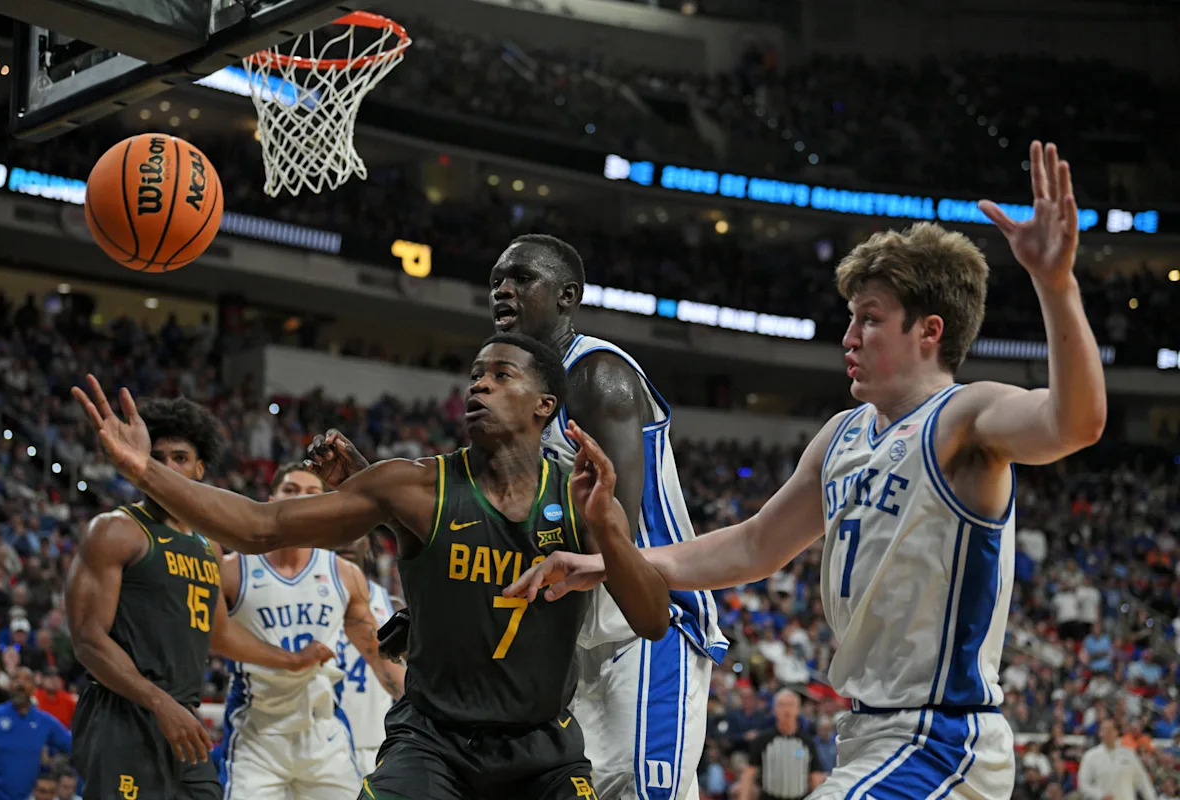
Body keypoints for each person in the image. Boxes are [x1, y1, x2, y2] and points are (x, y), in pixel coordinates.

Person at [510, 142, 1107, 799]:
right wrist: (612, 563)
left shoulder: (965, 416)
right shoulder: (842, 436)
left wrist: (1056, 286)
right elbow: (754, 546)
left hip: (942, 742)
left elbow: (1076, 423)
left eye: (870, 321)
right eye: (851, 320)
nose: (848, 338)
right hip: (867, 736)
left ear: (929, 332)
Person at [72, 332, 672, 800]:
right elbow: (258, 526)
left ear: (545, 405)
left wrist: (608, 528)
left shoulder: (579, 496)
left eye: (500, 375)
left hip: (542, 751)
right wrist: (143, 470)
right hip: (435, 744)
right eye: (474, 375)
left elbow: (652, 620)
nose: (479, 385)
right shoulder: (414, 486)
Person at [308, 233, 726, 800]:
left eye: (522, 278)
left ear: (567, 296)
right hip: (566, 639)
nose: (502, 290)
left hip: (643, 631)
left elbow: (612, 532)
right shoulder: (515, 396)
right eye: (496, 281)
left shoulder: (597, 376)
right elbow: (495, 526)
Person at [65, 396, 334, 800]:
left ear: (200, 468)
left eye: (180, 458)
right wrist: (159, 703)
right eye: (157, 458)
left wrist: (292, 660)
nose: (168, 467)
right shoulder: (115, 530)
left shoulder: (209, 545)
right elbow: (88, 640)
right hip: (123, 713)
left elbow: (219, 634)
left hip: (181, 717)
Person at [220, 463, 404, 800]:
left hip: (324, 733)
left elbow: (377, 654)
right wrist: (290, 660)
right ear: (270, 499)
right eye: (290, 490)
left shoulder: (344, 574)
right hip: (257, 732)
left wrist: (425, 701)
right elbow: (213, 638)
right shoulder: (232, 570)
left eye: (311, 493)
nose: (299, 499)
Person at [335, 535, 406, 771]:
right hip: (323, 741)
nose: (345, 541)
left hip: (375, 741)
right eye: (338, 533)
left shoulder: (392, 605)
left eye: (354, 534)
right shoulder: (311, 600)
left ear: (366, 544)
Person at [0, 667, 71, 800]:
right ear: (9, 685)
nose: (20, 684)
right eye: (16, 679)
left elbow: (72, 744)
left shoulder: (44, 721)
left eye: (26, 680)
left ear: (34, 688)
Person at [740, 691, 825, 800]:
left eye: (790, 705)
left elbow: (815, 776)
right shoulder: (762, 741)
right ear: (774, 710)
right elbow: (749, 773)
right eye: (781, 705)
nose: (786, 710)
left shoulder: (808, 744)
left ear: (798, 710)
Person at [1076, 720, 1156, 800]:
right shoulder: (1090, 756)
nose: (1108, 733)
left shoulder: (1129, 755)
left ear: (1116, 732)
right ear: (1099, 733)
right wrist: (1100, 795)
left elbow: (1143, 781)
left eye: (1110, 730)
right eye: (1104, 730)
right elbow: (1083, 785)